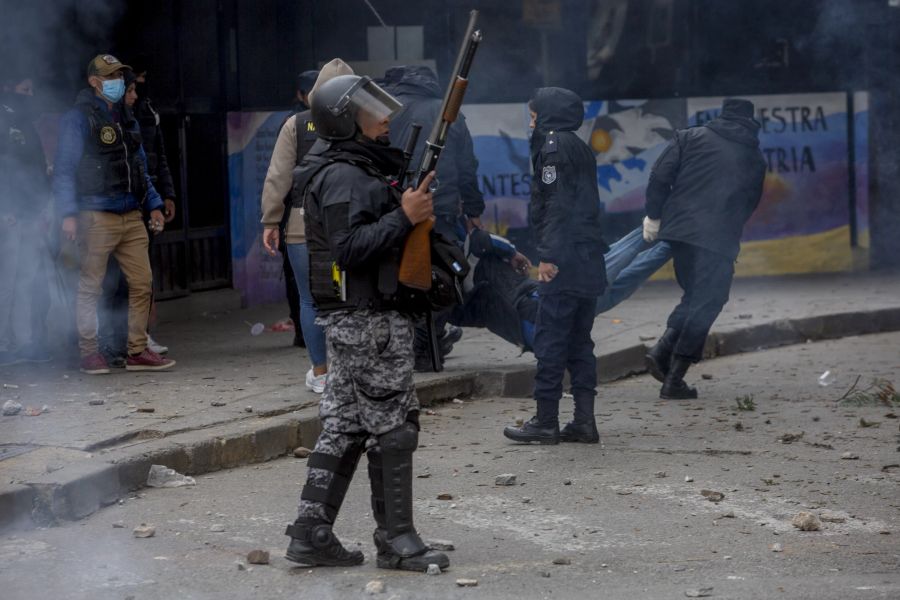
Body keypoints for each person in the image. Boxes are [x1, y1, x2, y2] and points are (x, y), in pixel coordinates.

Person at [283, 74, 449, 571]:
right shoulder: (343, 175)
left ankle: (311, 534)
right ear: (345, 120)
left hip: (358, 319)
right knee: (395, 427)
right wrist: (405, 216)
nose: (384, 120)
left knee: (345, 427)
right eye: (372, 111)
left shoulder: (351, 167)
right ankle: (397, 540)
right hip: (368, 320)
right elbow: (349, 248)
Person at [52, 54, 175, 374]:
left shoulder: (126, 115)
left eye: (119, 76)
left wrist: (154, 203)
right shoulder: (78, 119)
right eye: (111, 77)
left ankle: (136, 350)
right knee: (91, 285)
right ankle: (89, 352)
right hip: (96, 214)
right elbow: (63, 170)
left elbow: (140, 167)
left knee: (142, 282)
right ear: (94, 82)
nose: (118, 83)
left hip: (131, 213)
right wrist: (67, 214)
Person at [503, 87, 608, 445]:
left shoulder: (553, 149)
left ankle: (545, 420)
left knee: (550, 340)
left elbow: (557, 205)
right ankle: (584, 422)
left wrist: (548, 256)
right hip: (588, 259)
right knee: (580, 342)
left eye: (533, 116)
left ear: (546, 116)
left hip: (565, 260)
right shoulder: (577, 145)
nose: (530, 123)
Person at [642, 98, 766, 399]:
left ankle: (663, 353)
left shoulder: (689, 137)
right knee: (707, 303)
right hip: (718, 239)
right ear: (750, 121)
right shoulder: (754, 156)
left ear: (722, 116)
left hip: (679, 232)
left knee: (696, 298)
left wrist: (654, 216)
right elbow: (750, 202)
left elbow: (659, 177)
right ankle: (674, 375)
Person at [382, 65, 484, 371]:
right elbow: (467, 168)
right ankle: (427, 343)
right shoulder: (446, 114)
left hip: (393, 209)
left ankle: (413, 343)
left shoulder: (386, 112)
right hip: (439, 208)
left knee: (398, 278)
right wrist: (474, 211)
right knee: (441, 278)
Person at [262, 60, 349, 393]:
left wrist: (271, 220)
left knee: (310, 301)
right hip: (351, 223)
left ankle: (322, 373)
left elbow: (278, 176)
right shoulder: (363, 120)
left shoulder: (296, 124)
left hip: (302, 223)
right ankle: (350, 369)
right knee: (350, 298)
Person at [0, 69, 52, 366]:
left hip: (31, 214)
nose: (29, 97)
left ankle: (24, 342)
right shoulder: (3, 120)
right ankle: (3, 344)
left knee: (26, 280)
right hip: (10, 216)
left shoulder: (27, 125)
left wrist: (42, 206)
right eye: (25, 90)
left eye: (32, 91)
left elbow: (35, 168)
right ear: (8, 86)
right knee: (6, 282)